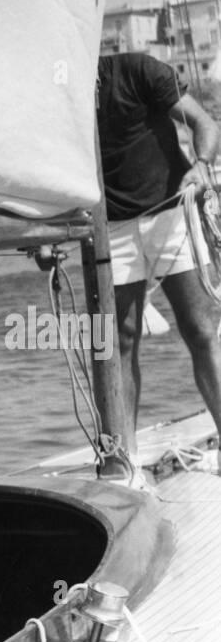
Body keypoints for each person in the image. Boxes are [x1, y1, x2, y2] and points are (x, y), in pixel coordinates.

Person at [95, 52, 221, 452]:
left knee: (201, 330)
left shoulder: (138, 70)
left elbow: (204, 122)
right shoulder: (58, 94)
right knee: (117, 341)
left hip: (171, 212)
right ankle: (123, 460)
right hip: (108, 226)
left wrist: (202, 165)